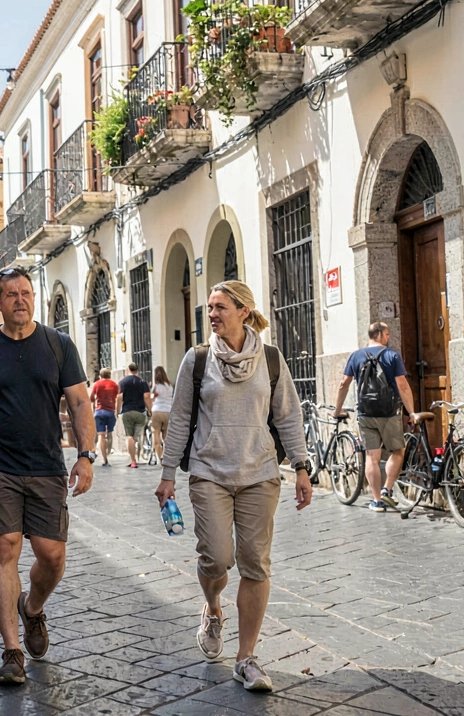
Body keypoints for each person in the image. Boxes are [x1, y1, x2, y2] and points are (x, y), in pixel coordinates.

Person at [153, 280, 312, 694]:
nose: (212, 315)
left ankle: (246, 657)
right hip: (209, 473)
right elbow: (180, 418)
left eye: (220, 307)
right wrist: (168, 474)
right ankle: (211, 606)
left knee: (256, 564)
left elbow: (288, 415)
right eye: (209, 308)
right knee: (216, 559)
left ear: (244, 311)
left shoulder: (271, 360)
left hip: (260, 473)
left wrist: (301, 466)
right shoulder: (198, 359)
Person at [0, 266, 96, 686]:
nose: (20, 299)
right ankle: (12, 651)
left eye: (26, 292)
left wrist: (85, 455)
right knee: (6, 546)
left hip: (47, 465)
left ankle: (32, 608)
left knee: (52, 555)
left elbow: (80, 403)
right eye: (11, 294)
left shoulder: (58, 345)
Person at [333, 322, 420, 511]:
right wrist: (411, 411)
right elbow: (402, 385)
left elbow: (343, 384)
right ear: (380, 334)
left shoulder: (356, 356)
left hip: (366, 412)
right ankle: (388, 489)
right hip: (389, 412)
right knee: (398, 451)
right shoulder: (392, 356)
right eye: (388, 334)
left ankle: (377, 500)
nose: (389, 338)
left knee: (372, 457)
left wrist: (337, 409)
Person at [117, 362, 153, 468]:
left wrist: (117, 410)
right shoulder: (142, 382)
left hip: (127, 411)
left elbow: (119, 397)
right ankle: (140, 456)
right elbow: (146, 397)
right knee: (139, 436)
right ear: (137, 370)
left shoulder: (123, 382)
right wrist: (150, 410)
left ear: (128, 369)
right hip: (140, 412)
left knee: (130, 437)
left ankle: (133, 460)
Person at [89, 369, 120, 465]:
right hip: (110, 411)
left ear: (100, 375)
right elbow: (117, 397)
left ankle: (104, 458)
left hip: (99, 411)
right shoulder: (114, 384)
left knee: (101, 435)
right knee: (110, 433)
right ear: (110, 375)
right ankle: (108, 451)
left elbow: (91, 398)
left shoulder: (97, 384)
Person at [150, 367, 174, 458]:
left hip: (157, 411)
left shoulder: (156, 386)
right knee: (167, 436)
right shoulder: (170, 386)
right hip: (168, 411)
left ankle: (160, 457)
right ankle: (168, 455)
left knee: (155, 435)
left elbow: (152, 397)